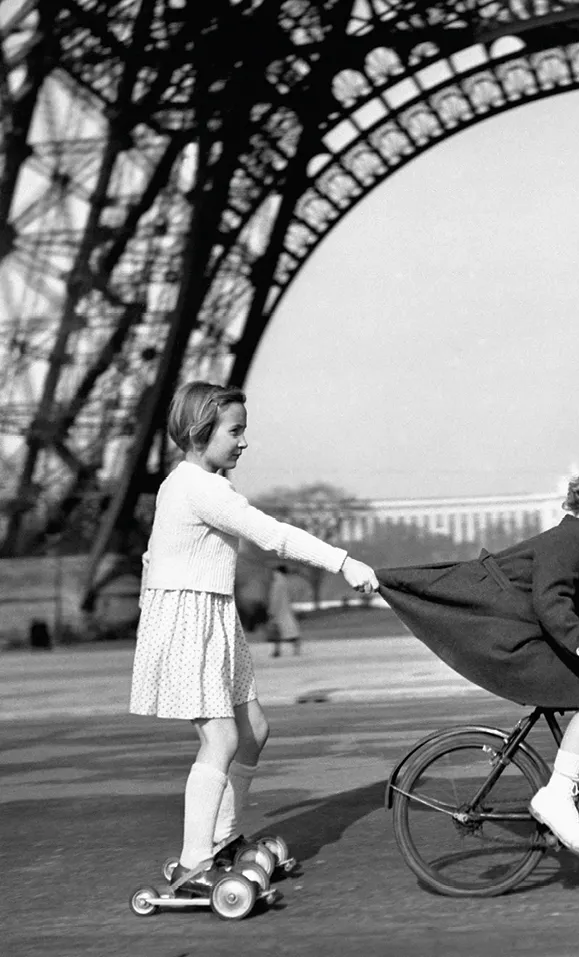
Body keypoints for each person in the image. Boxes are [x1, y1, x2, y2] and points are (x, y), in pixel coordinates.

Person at [130, 380, 379, 894]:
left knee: (254, 730)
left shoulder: (191, 483)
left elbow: (156, 552)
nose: (244, 442)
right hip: (188, 618)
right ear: (202, 430)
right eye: (236, 430)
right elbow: (272, 534)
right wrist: (344, 562)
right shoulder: (199, 486)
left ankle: (222, 839)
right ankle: (192, 861)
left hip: (211, 614)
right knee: (220, 738)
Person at [376, 450, 579, 855]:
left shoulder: (577, 543)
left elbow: (573, 611)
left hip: (519, 634)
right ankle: (558, 793)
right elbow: (553, 609)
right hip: (509, 643)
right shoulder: (569, 544)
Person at [267, 565, 301, 657]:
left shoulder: (277, 583)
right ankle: (295, 649)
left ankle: (277, 650)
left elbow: (275, 598)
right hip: (286, 610)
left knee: (277, 631)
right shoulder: (287, 582)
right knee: (290, 631)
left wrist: (272, 610)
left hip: (279, 611)